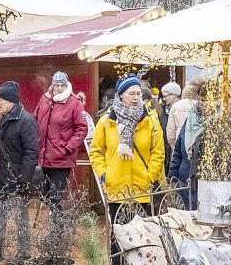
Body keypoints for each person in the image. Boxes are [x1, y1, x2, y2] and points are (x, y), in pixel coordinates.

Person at [89, 74, 165, 219]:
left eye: (138, 93)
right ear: (121, 95)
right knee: (118, 235)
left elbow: (158, 151)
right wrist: (105, 175)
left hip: (141, 186)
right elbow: (96, 151)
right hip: (116, 186)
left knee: (141, 235)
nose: (136, 97)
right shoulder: (106, 121)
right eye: (131, 93)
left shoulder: (150, 121)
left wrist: (150, 175)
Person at [0, 81, 39, 260]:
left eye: (0, 100)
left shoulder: (27, 121)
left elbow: (32, 152)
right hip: (2, 180)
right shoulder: (3, 118)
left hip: (19, 180)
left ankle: (24, 256)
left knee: (21, 221)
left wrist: (24, 180)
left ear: (11, 101)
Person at [34, 71, 87, 210]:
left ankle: (59, 230)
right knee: (43, 194)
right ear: (52, 86)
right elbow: (35, 120)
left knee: (55, 196)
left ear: (67, 85)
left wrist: (68, 148)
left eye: (62, 85)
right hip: (44, 156)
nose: (59, 88)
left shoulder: (74, 103)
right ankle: (62, 224)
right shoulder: (44, 100)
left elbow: (82, 129)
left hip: (62, 158)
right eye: (56, 85)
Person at [168, 78, 212, 209]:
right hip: (185, 180)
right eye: (202, 100)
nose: (205, 104)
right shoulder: (191, 119)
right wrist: (172, 176)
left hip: (207, 183)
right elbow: (178, 150)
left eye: (208, 100)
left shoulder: (220, 123)